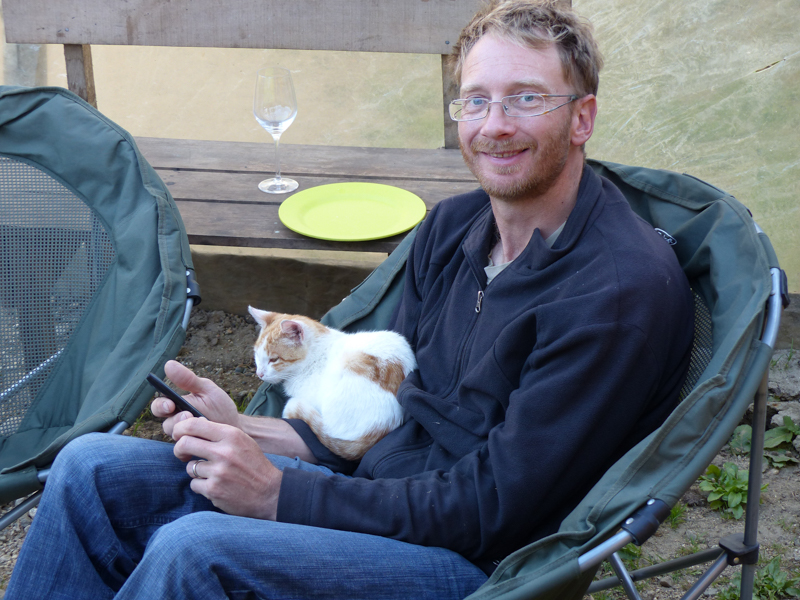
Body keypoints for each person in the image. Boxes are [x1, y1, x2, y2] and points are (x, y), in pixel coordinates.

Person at [6, 1, 694, 598]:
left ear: (582, 118)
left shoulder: (613, 294)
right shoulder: (454, 228)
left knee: (195, 551)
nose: (495, 124)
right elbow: (391, 416)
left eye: (527, 99)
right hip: (391, 492)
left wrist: (280, 493)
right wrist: (249, 431)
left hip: (488, 565)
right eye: (476, 100)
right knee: (89, 467)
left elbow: (495, 509)